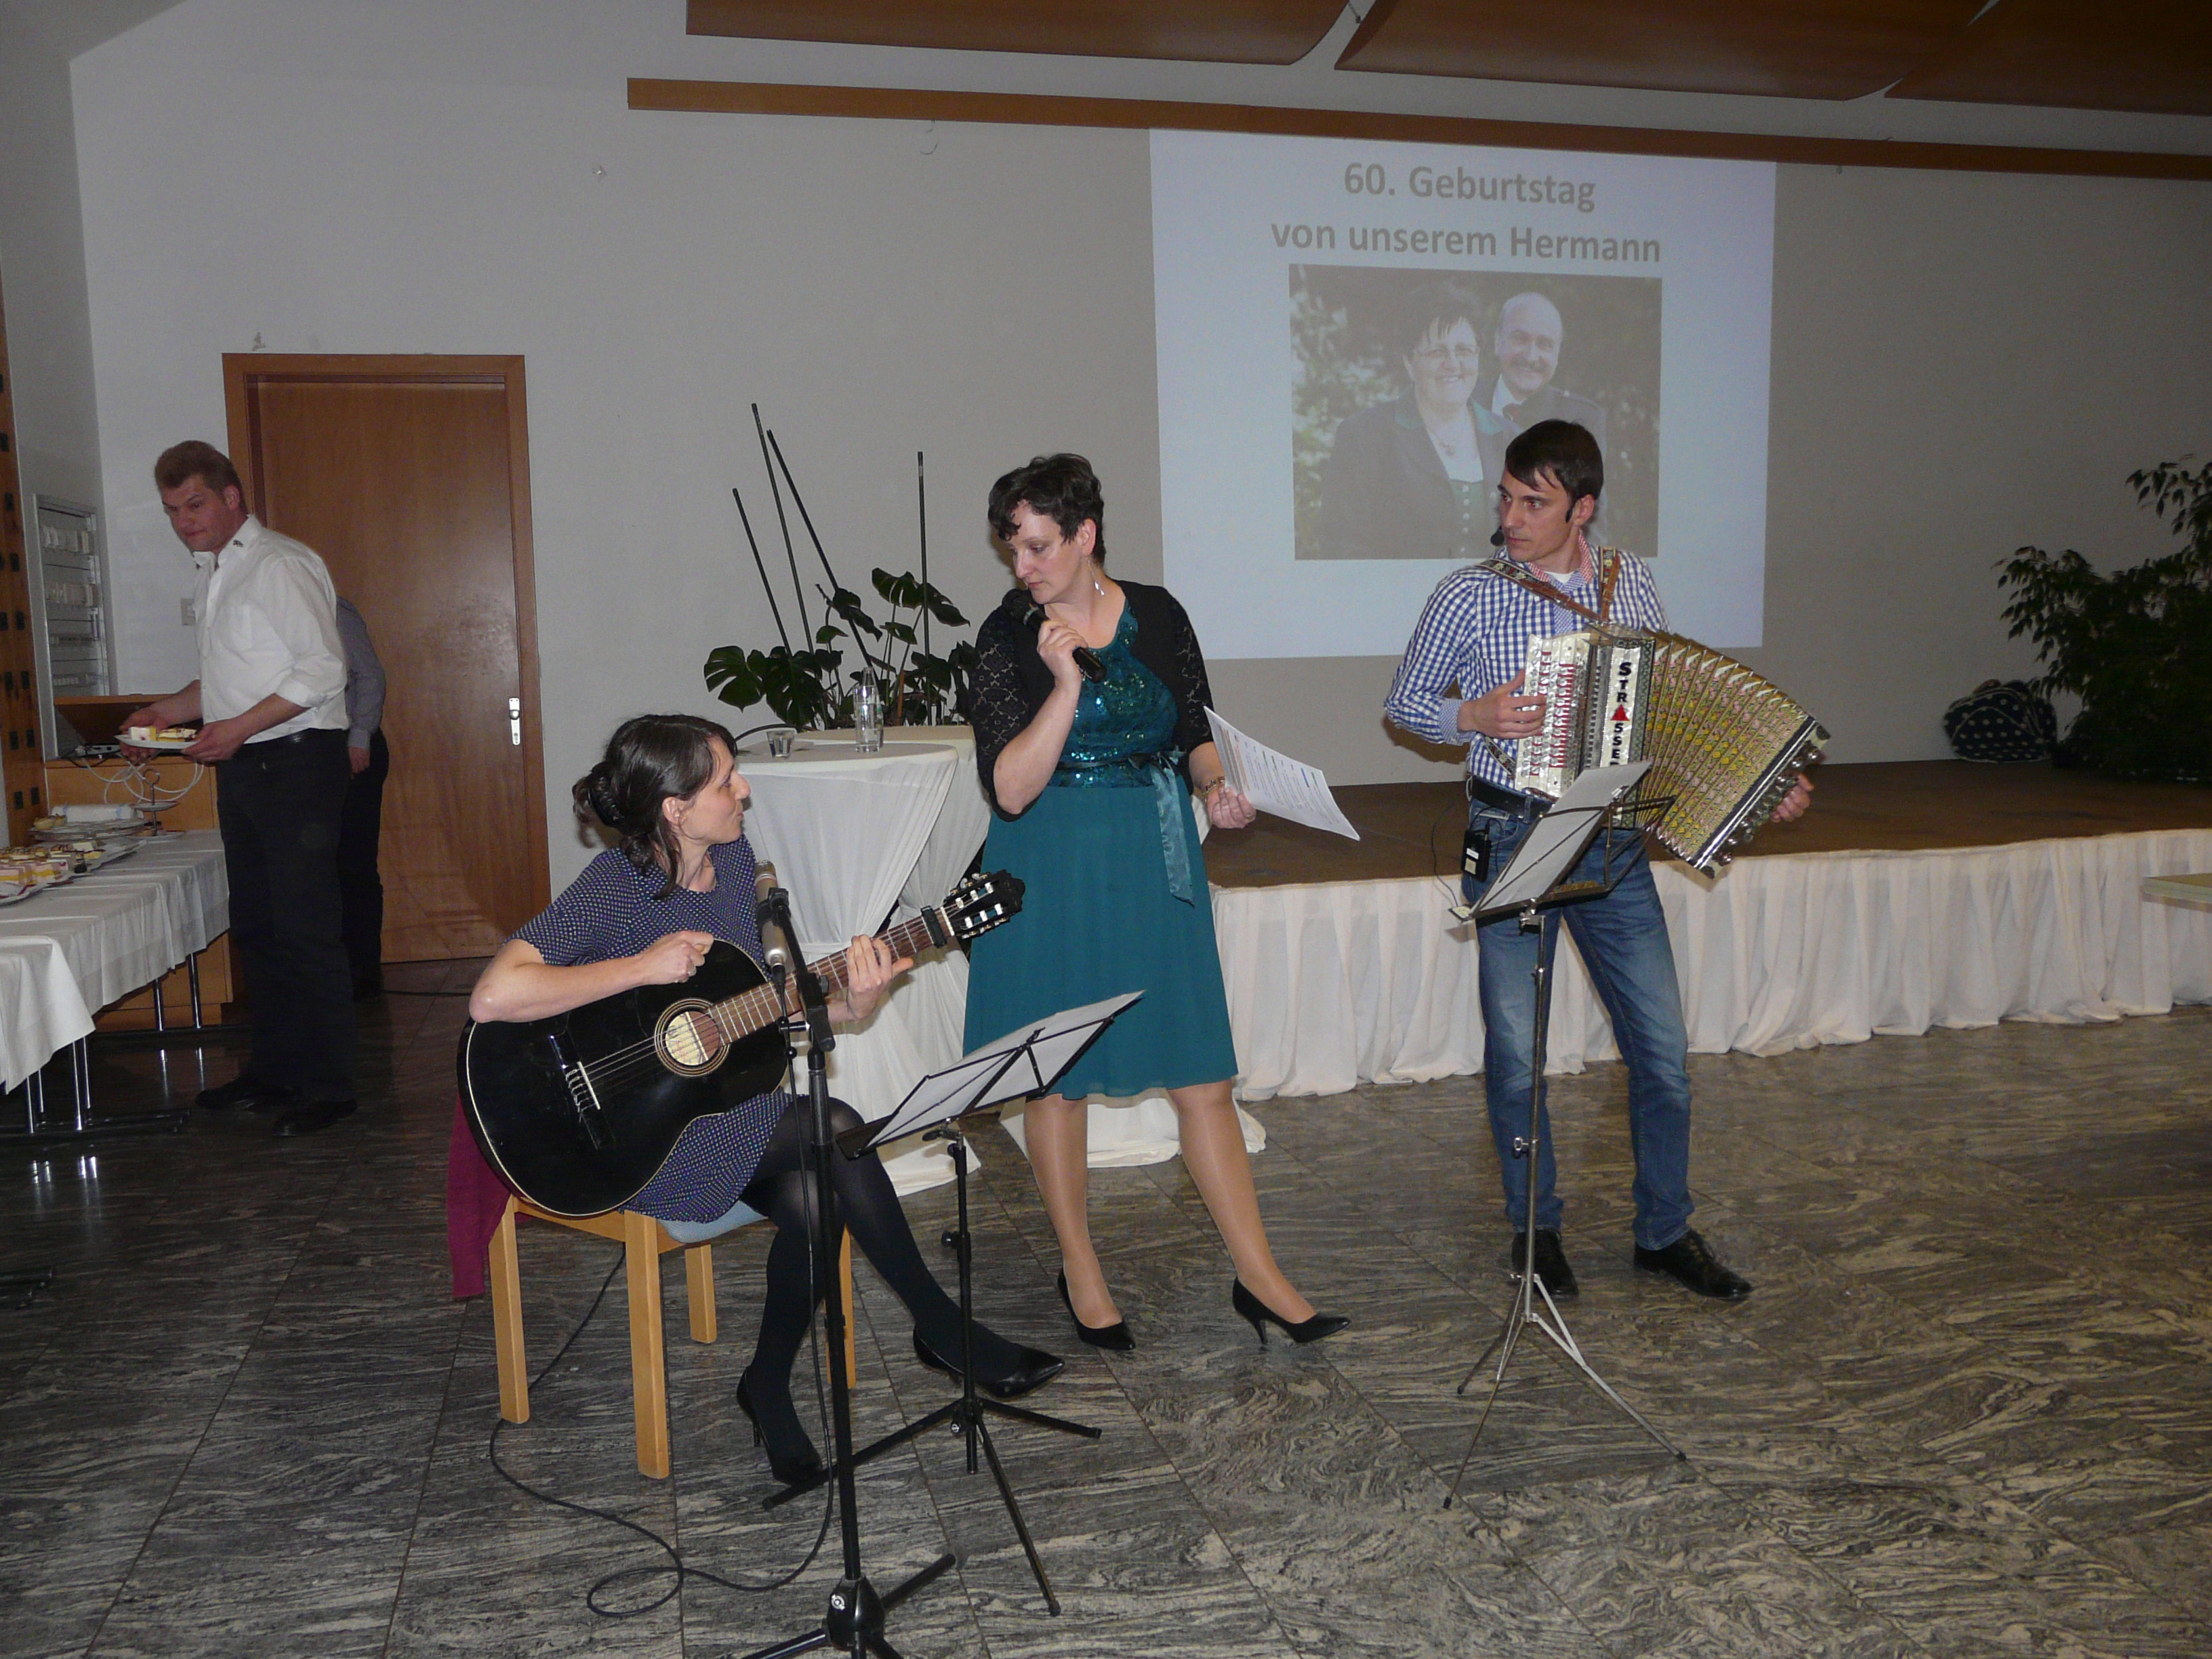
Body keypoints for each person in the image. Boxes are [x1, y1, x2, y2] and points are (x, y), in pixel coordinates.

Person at [468, 714, 1061, 1485]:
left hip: (718, 1114)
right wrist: (640, 969)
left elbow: (774, 1013)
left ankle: (770, 1384)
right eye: (726, 782)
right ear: (676, 809)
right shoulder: (616, 887)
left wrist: (859, 998)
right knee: (834, 1126)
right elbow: (493, 996)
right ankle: (942, 1329)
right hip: (631, 1139)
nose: (744, 790)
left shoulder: (738, 863)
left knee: (818, 1197)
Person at [1382, 421, 1810, 1302]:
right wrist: (1472, 717)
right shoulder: (1468, 594)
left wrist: (1759, 787)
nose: (1510, 518)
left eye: (1532, 503)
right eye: (1506, 497)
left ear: (1582, 509)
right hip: (1511, 835)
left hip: (1612, 840)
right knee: (1517, 1056)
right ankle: (1535, 1232)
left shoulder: (1631, 582)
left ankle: (1665, 1232)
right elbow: (1407, 702)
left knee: (1663, 1054)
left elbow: (1664, 708)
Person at [964, 454, 1345, 1351]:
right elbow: (1010, 789)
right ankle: (1081, 1269)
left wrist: (1215, 788)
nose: (1023, 565)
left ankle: (1260, 1275)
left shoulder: (1161, 612)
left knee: (1202, 1073)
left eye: (1038, 546)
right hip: (1051, 862)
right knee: (1057, 1080)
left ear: (1085, 534)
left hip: (1152, 856)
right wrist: (1066, 686)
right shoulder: (1007, 633)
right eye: (1014, 549)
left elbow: (1194, 729)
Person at [124, 441, 358, 1137]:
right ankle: (276, 1071)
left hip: (296, 762)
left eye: (194, 504)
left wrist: (234, 729)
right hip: (249, 764)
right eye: (172, 511)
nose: (184, 522)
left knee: (305, 926)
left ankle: (330, 1087)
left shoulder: (279, 563)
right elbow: (231, 680)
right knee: (257, 925)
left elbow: (324, 670)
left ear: (231, 498)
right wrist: (167, 712)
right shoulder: (218, 572)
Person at [1313, 280, 1511, 561]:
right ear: (1409, 362)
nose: (1453, 364)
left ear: (1477, 356)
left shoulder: (1512, 439)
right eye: (1437, 352)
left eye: (1464, 351)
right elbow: (1341, 547)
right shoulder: (1364, 436)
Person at [335, 596, 388, 998]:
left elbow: (369, 675)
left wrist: (359, 737)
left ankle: (363, 971)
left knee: (354, 865)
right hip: (311, 751)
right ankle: (332, 971)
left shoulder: (332, 609)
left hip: (353, 747)